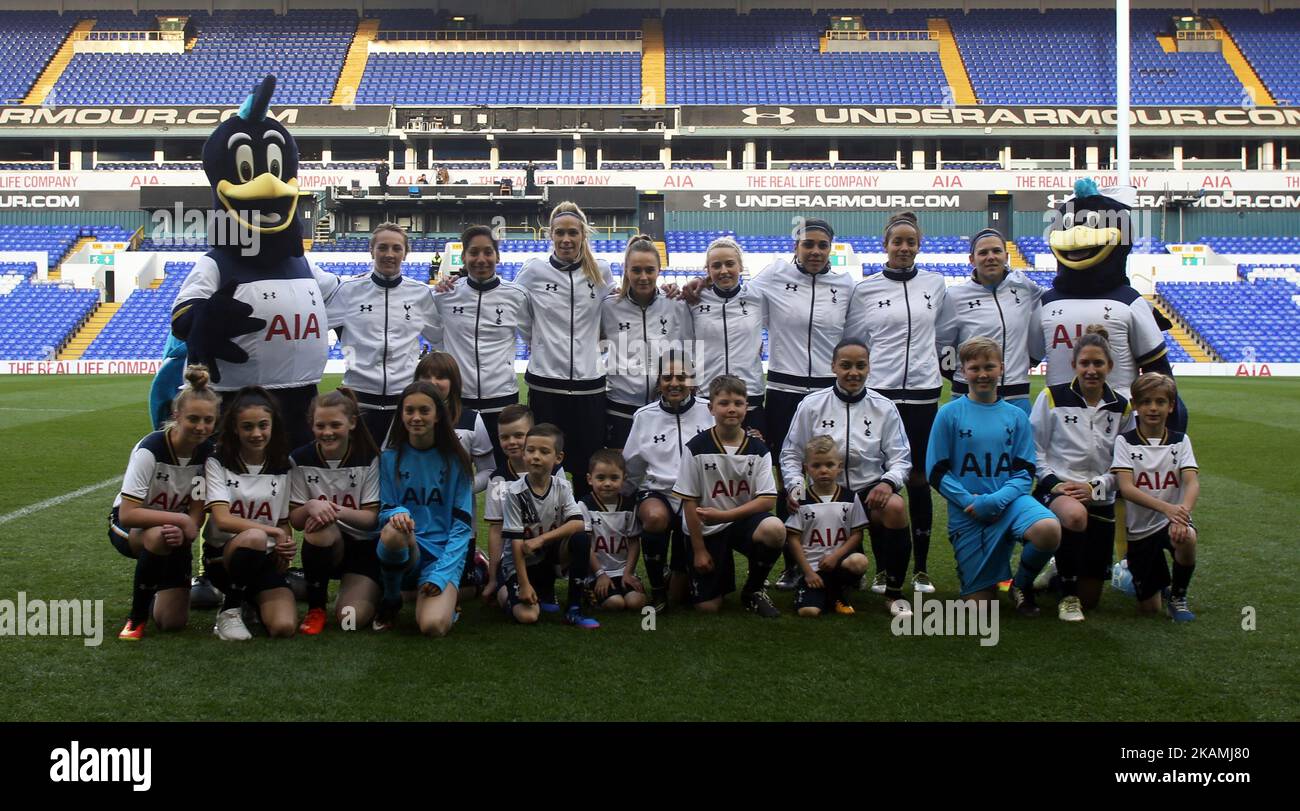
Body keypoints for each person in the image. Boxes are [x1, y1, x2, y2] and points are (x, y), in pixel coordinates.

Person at [846, 211, 955, 595]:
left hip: (925, 394)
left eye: (911, 241)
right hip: (881, 396)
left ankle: (921, 569)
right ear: (885, 245)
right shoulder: (866, 289)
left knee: (918, 479)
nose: (904, 247)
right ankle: (881, 569)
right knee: (878, 483)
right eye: (898, 241)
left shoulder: (936, 284)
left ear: (919, 245)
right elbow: (856, 342)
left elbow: (945, 336)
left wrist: (946, 370)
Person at [743, 219, 855, 589]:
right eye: (808, 244)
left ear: (831, 248)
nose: (815, 251)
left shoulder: (845, 286)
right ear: (796, 246)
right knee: (785, 477)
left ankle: (836, 559)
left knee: (828, 474)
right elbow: (736, 296)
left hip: (828, 391)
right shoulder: (772, 275)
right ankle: (792, 566)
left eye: (823, 245)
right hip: (783, 388)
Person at [926, 337, 1061, 616]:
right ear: (963, 371)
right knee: (980, 609)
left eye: (989, 366)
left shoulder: (1016, 416)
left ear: (1001, 367)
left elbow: (1025, 471)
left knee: (1049, 529)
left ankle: (1020, 584)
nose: (983, 374)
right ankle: (982, 572)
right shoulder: (948, 414)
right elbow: (936, 471)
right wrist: (970, 501)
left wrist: (996, 500)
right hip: (968, 511)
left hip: (1009, 504)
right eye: (975, 368)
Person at [779, 339, 913, 616]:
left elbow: (901, 458)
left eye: (860, 365)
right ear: (833, 367)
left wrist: (888, 482)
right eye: (846, 365)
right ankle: (814, 574)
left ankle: (894, 592)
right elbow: (790, 454)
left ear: (869, 367)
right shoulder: (811, 404)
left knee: (897, 507)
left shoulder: (884, 406)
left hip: (867, 491)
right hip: (823, 493)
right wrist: (795, 487)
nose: (854, 372)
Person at [1030, 325, 1132, 621]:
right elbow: (1034, 449)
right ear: (1074, 365)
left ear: (1109, 366)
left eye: (1098, 363)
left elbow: (1123, 465)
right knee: (1074, 515)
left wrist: (1096, 487)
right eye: (1084, 363)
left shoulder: (1122, 408)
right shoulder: (1051, 397)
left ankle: (1057, 572)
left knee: (1093, 600)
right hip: (1057, 491)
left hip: (1100, 497)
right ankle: (1067, 596)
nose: (1091, 370)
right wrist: (1054, 483)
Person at [514, 201, 615, 498]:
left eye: (573, 233)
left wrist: (596, 348)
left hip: (590, 388)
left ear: (583, 235)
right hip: (547, 387)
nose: (566, 239)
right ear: (550, 235)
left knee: (587, 468)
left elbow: (612, 316)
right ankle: (546, 536)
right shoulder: (534, 271)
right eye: (560, 233)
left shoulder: (602, 272)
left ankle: (584, 533)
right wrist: (541, 343)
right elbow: (518, 311)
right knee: (544, 467)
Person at [111, 365, 219, 640]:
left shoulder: (208, 454)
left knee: (173, 622)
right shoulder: (151, 449)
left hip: (174, 528)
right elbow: (128, 513)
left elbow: (196, 509)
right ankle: (136, 618)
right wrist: (180, 521)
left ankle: (158, 582)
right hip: (132, 527)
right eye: (193, 418)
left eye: (208, 420)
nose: (201, 427)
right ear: (176, 415)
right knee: (158, 536)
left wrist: (187, 527)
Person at [672, 375, 786, 617]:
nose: (731, 409)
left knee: (775, 529)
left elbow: (767, 500)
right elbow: (689, 501)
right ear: (711, 407)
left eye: (738, 402)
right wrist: (699, 550)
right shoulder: (696, 448)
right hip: (706, 528)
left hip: (738, 521)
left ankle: (753, 590)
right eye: (724, 403)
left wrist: (724, 515)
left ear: (747, 406)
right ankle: (691, 570)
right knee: (707, 607)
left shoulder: (758, 449)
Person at [326, 223, 444, 445]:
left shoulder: (419, 293)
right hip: (359, 400)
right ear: (371, 250)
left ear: (405, 253)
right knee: (361, 471)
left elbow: (441, 338)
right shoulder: (349, 290)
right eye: (382, 248)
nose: (389, 254)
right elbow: (316, 329)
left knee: (400, 470)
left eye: (396, 248)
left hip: (405, 403)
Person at [373, 381, 475, 636]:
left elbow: (462, 527)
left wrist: (440, 576)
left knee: (432, 627)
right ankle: (392, 598)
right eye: (409, 411)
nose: (416, 417)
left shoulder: (457, 461)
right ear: (401, 414)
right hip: (406, 547)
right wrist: (397, 513)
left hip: (441, 554)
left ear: (438, 415)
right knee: (393, 532)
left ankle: (469, 578)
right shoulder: (388, 459)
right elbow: (383, 511)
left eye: (424, 410)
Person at [202, 387, 298, 640]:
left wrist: (285, 544)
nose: (256, 434)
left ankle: (249, 600)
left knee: (283, 627)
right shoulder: (217, 462)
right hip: (224, 559)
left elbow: (283, 522)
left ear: (273, 425)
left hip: (265, 559)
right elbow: (222, 520)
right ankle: (229, 610)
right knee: (254, 536)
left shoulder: (284, 465)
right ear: (235, 428)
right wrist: (274, 532)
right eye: (247, 427)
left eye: (263, 425)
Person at [622, 351, 715, 610]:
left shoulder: (709, 411)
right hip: (658, 493)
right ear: (658, 381)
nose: (674, 382)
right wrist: (622, 499)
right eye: (667, 377)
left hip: (696, 496)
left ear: (693, 379)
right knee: (654, 518)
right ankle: (657, 588)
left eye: (681, 376)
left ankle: (677, 574)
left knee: (682, 598)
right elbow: (633, 465)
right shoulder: (644, 415)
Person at [433, 225, 530, 469]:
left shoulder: (517, 295)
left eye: (488, 252)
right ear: (464, 256)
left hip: (502, 399)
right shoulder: (444, 295)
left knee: (506, 474)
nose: (481, 259)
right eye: (473, 252)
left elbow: (533, 336)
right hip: (458, 402)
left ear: (497, 256)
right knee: (452, 473)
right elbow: (429, 332)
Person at [287, 388, 381, 634]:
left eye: (335, 425)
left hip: (362, 549)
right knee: (320, 527)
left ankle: (367, 589)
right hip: (326, 545)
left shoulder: (368, 457)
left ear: (351, 423)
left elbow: (371, 519)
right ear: (311, 425)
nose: (327, 432)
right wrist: (309, 506)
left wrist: (332, 509)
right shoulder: (299, 459)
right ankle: (316, 607)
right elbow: (296, 521)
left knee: (350, 621)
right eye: (320, 425)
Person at [1112, 373, 1199, 622]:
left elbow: (1191, 481)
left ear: (1171, 406)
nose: (1153, 408)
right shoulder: (1125, 442)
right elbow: (1127, 489)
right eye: (1146, 401)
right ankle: (1146, 580)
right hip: (1139, 531)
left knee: (1187, 538)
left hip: (1171, 522)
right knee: (1149, 609)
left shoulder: (1180, 442)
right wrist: (1167, 508)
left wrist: (1181, 515)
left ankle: (1178, 596)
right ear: (1136, 405)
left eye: (1160, 402)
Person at [495, 424, 600, 628]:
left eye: (544, 452)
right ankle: (508, 592)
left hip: (544, 556)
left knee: (580, 539)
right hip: (519, 562)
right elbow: (516, 543)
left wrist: (541, 539)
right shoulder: (516, 493)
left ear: (558, 458)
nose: (536, 456)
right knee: (529, 616)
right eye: (531, 450)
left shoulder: (562, 486)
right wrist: (524, 585)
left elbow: (578, 523)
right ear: (524, 454)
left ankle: (574, 609)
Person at [938, 228, 1044, 416]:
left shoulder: (1023, 286)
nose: (991, 257)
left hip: (1016, 396)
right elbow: (941, 346)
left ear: (1006, 256)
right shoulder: (955, 296)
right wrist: (963, 376)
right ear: (972, 259)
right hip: (969, 396)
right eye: (983, 252)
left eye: (996, 251)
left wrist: (1031, 359)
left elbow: (1048, 303)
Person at [414, 350, 494, 598]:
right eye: (426, 376)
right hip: (420, 522)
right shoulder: (407, 417)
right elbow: (389, 462)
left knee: (465, 593)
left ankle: (479, 565)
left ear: (454, 382)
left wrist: (464, 487)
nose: (433, 382)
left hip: (459, 524)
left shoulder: (471, 420)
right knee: (412, 592)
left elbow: (489, 470)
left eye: (441, 376)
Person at [600, 234, 688, 449]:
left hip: (663, 405)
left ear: (659, 270)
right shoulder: (609, 306)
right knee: (622, 474)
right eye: (636, 270)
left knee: (662, 471)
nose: (643, 277)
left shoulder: (676, 303)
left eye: (650, 270)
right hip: (619, 407)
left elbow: (688, 349)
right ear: (626, 270)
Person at [682, 236, 766, 432]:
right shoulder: (693, 300)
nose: (724, 271)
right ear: (708, 270)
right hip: (706, 396)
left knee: (750, 460)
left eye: (730, 264)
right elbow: (685, 346)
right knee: (709, 459)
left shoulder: (758, 296)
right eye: (716, 265)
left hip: (749, 394)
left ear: (740, 266)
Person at [785, 436, 871, 618]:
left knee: (859, 562)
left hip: (839, 564)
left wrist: (835, 557)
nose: (823, 470)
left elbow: (857, 535)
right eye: (816, 466)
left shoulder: (850, 497)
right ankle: (829, 595)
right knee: (808, 612)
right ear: (806, 468)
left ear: (839, 467)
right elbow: (793, 539)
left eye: (830, 465)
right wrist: (807, 572)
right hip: (813, 569)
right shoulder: (800, 500)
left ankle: (838, 591)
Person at [482, 403, 535, 607]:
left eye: (519, 435)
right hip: (512, 557)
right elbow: (496, 530)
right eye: (504, 437)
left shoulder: (553, 471)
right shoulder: (498, 479)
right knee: (509, 601)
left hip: (545, 552)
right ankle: (496, 577)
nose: (511, 442)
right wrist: (493, 578)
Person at [581, 449, 646, 612]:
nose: (607, 483)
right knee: (615, 604)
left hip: (622, 570)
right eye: (601, 478)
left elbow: (633, 542)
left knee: (636, 602)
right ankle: (588, 589)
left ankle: (624, 582)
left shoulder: (629, 506)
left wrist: (628, 572)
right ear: (590, 479)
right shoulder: (584, 505)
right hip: (598, 572)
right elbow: (585, 544)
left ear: (624, 479)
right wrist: (600, 574)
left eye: (614, 478)